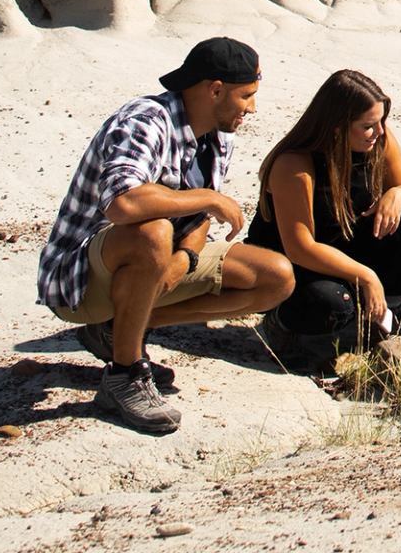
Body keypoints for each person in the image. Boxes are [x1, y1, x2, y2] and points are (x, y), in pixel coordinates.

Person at [37, 37, 294, 434]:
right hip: (81, 280)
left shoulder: (218, 137)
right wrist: (208, 196)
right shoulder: (146, 120)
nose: (252, 108)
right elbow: (121, 202)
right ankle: (124, 375)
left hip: (153, 267)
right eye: (246, 96)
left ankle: (119, 331)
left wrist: (186, 258)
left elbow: (200, 219)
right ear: (215, 90)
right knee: (152, 231)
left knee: (277, 277)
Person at [246, 69, 401, 368]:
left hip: (343, 244)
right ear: (336, 127)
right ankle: (280, 327)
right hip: (297, 265)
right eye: (368, 126)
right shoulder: (295, 164)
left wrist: (395, 195)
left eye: (381, 121)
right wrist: (366, 276)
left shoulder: (378, 140)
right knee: (330, 304)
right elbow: (300, 247)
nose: (380, 131)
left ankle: (383, 318)